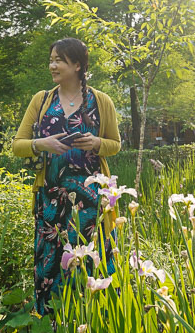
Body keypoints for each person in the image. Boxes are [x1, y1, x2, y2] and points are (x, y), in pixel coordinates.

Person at [12, 37, 121, 314]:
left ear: (77, 65)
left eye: (58, 60)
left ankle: (97, 322)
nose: (52, 65)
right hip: (51, 198)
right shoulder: (42, 99)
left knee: (94, 258)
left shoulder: (101, 101)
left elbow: (115, 144)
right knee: (50, 261)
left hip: (92, 200)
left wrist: (96, 143)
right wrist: (41, 144)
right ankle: (51, 326)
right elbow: (17, 145)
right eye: (51, 60)